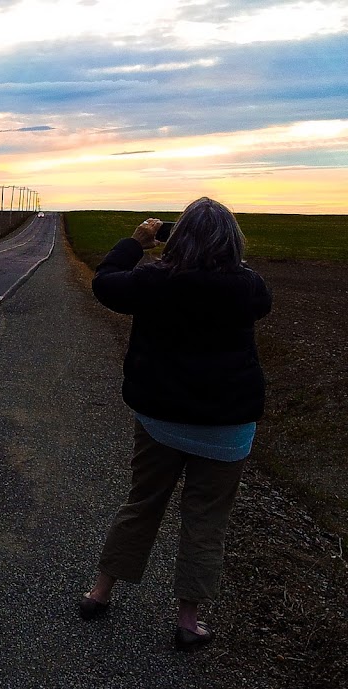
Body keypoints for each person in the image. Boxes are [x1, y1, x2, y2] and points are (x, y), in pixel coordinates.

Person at [79, 197, 272, 652]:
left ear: (175, 236)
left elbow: (105, 284)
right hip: (228, 426)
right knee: (206, 520)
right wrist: (219, 255)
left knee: (143, 502)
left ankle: (100, 592)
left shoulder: (153, 280)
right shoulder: (249, 287)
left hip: (161, 419)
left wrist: (137, 241)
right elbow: (244, 291)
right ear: (233, 241)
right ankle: (188, 620)